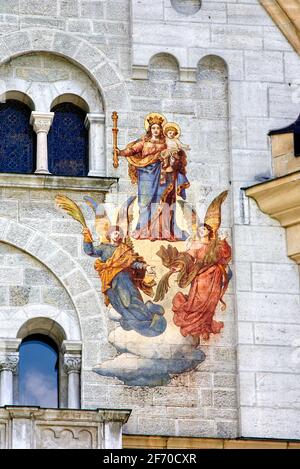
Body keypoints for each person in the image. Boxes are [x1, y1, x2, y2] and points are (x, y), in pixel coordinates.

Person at [82, 225, 166, 337]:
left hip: (126, 280)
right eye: (115, 233)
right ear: (110, 234)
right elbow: (90, 251)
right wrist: (87, 236)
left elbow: (132, 263)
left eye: (119, 233)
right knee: (120, 305)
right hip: (112, 281)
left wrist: (146, 267)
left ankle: (146, 318)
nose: (117, 235)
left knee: (132, 300)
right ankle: (142, 319)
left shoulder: (124, 249)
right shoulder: (104, 248)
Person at [118, 113, 189, 241]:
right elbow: (132, 150)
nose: (156, 130)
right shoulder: (144, 142)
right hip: (146, 174)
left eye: (158, 128)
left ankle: (162, 231)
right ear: (150, 130)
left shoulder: (166, 142)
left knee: (163, 201)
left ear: (161, 130)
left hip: (163, 175)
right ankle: (143, 230)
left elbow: (176, 154)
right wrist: (121, 152)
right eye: (153, 128)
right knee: (144, 202)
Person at [172, 224, 231, 341]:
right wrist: (179, 266)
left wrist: (223, 241)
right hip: (201, 276)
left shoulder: (215, 244)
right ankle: (194, 327)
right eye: (199, 229)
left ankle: (204, 327)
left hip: (215, 276)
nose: (201, 231)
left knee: (211, 303)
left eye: (204, 229)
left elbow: (226, 255)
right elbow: (188, 257)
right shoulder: (196, 244)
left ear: (209, 231)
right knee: (198, 301)